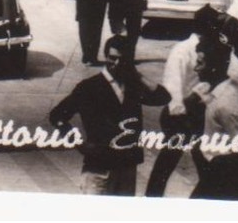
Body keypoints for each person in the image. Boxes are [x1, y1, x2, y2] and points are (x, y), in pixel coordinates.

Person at [48, 37, 169, 195]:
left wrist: (137, 75)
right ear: (106, 56)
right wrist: (79, 143)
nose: (117, 63)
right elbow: (57, 116)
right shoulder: (89, 87)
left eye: (122, 59)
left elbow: (163, 97)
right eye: (113, 58)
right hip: (98, 169)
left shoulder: (133, 86)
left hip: (127, 167)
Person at [144, 5, 222, 197]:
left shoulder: (212, 47)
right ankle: (151, 198)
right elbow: (173, 85)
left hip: (198, 114)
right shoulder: (182, 51)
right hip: (180, 116)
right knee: (168, 162)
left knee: (202, 160)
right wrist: (179, 115)